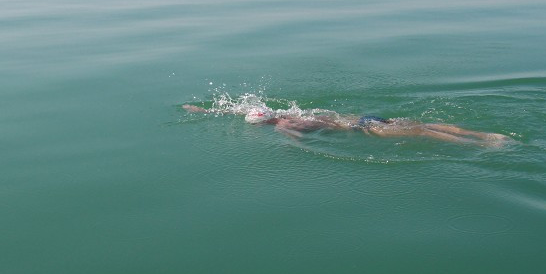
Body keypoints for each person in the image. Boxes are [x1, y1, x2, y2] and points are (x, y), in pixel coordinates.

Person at [182, 102, 511, 146]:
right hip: (360, 117)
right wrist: (201, 111)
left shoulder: (283, 127)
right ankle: (482, 133)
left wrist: (292, 148)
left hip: (361, 128)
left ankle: (482, 143)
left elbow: (296, 141)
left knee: (422, 132)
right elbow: (233, 109)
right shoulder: (286, 112)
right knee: (423, 124)